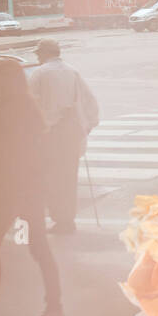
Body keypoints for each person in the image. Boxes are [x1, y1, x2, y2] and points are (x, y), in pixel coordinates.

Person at [0, 57, 63, 316]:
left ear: (3, 82)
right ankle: (54, 306)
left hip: (9, 190)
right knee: (39, 248)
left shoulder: (3, 112)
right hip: (30, 188)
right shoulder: (29, 109)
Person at [27, 39, 99, 235]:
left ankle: (60, 218)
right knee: (69, 177)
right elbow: (89, 100)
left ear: (44, 54)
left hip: (50, 133)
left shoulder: (39, 73)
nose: (37, 57)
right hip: (71, 131)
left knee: (51, 178)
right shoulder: (72, 71)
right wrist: (89, 124)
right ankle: (67, 219)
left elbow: (31, 104)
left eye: (38, 53)